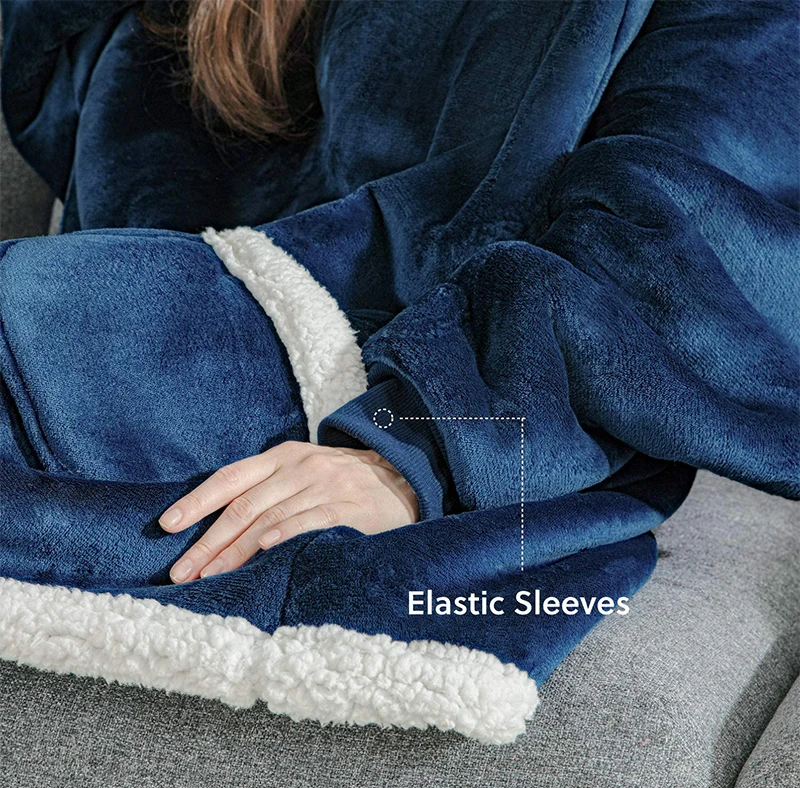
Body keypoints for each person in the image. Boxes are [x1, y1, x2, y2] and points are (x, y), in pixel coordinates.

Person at [0, 0, 797, 742]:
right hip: (161, 334)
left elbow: (689, 234)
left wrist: (417, 451)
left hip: (410, 383)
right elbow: (70, 88)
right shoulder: (192, 33)